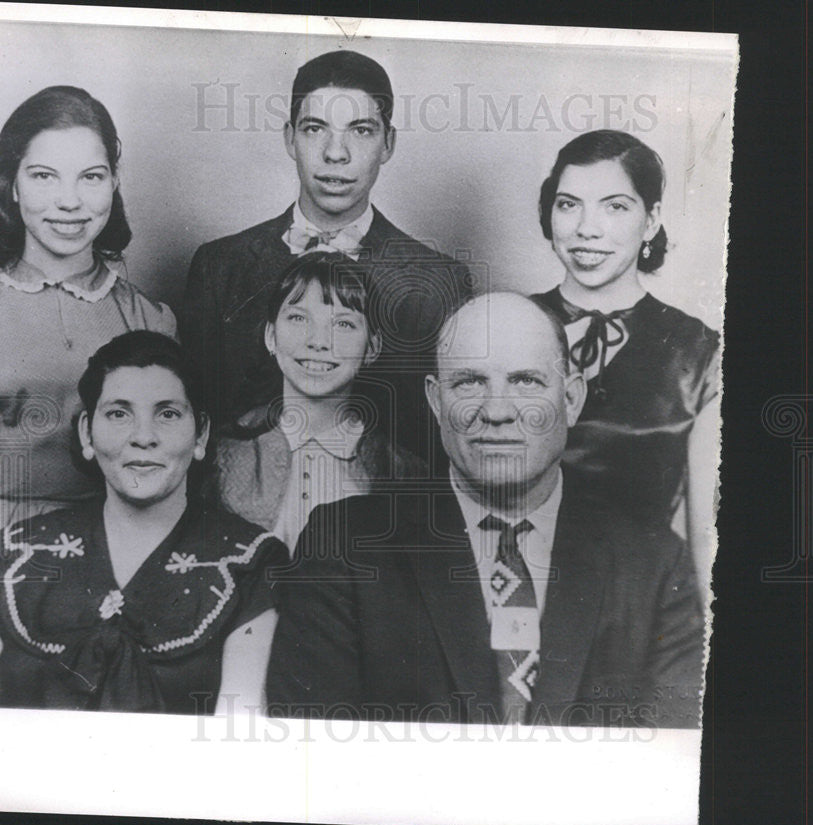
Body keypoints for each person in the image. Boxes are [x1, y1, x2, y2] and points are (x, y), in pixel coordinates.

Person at [266, 293, 705, 728]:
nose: (497, 411)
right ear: (436, 402)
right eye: (469, 382)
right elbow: (318, 762)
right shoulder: (343, 549)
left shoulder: (655, 564)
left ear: (571, 400)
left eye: (526, 382)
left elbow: (666, 766)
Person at [0, 331, 286, 713]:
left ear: (201, 433)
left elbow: (238, 730)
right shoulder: (22, 552)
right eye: (119, 414)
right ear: (87, 433)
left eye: (168, 413)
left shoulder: (248, 563)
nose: (143, 437)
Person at [0, 86, 177, 647]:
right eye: (45, 176)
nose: (69, 202)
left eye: (91, 177)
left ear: (114, 184)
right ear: (12, 184)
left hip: (100, 546)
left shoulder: (150, 319)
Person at [179, 49, 474, 463]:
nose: (336, 153)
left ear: (388, 143)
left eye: (361, 131)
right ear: (289, 138)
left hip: (383, 517)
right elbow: (194, 422)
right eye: (315, 128)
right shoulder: (220, 266)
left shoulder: (439, 280)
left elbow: (441, 444)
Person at [531, 129, 720, 592]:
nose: (586, 229)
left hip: (637, 610)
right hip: (514, 596)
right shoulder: (508, 323)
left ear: (651, 220)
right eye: (568, 203)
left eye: (615, 206)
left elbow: (705, 536)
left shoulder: (698, 351)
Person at [209, 252, 425, 554]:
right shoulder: (220, 454)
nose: (318, 341)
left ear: (372, 347)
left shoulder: (404, 473)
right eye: (298, 318)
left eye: (344, 325)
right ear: (271, 336)